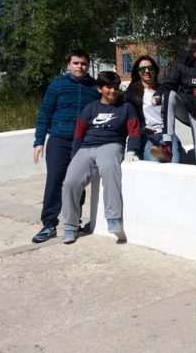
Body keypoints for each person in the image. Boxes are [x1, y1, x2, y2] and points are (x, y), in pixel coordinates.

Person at [60, 71, 142, 244]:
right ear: (99, 89)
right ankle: (70, 226)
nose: (113, 91)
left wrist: (132, 150)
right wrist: (75, 156)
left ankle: (112, 217)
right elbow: (78, 133)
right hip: (86, 147)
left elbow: (134, 131)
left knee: (110, 170)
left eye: (115, 88)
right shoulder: (90, 108)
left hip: (111, 145)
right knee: (70, 182)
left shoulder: (126, 107)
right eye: (108, 87)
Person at [31, 49, 100, 243]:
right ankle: (49, 224)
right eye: (76, 63)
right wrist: (39, 141)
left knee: (77, 182)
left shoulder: (94, 88)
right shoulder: (57, 85)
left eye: (84, 63)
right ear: (69, 64)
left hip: (83, 142)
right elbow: (45, 113)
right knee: (55, 180)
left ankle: (73, 221)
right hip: (59, 140)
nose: (80, 66)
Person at [154, 31, 196, 165]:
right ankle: (167, 146)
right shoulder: (184, 63)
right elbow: (169, 84)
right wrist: (157, 94)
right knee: (169, 95)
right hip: (186, 109)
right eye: (194, 51)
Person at [125, 55, 171, 162]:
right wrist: (143, 130)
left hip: (168, 136)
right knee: (154, 162)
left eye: (150, 68)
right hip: (149, 137)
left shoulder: (164, 90)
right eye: (142, 69)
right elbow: (131, 120)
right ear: (138, 72)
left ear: (155, 70)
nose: (146, 71)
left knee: (175, 163)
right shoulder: (132, 93)